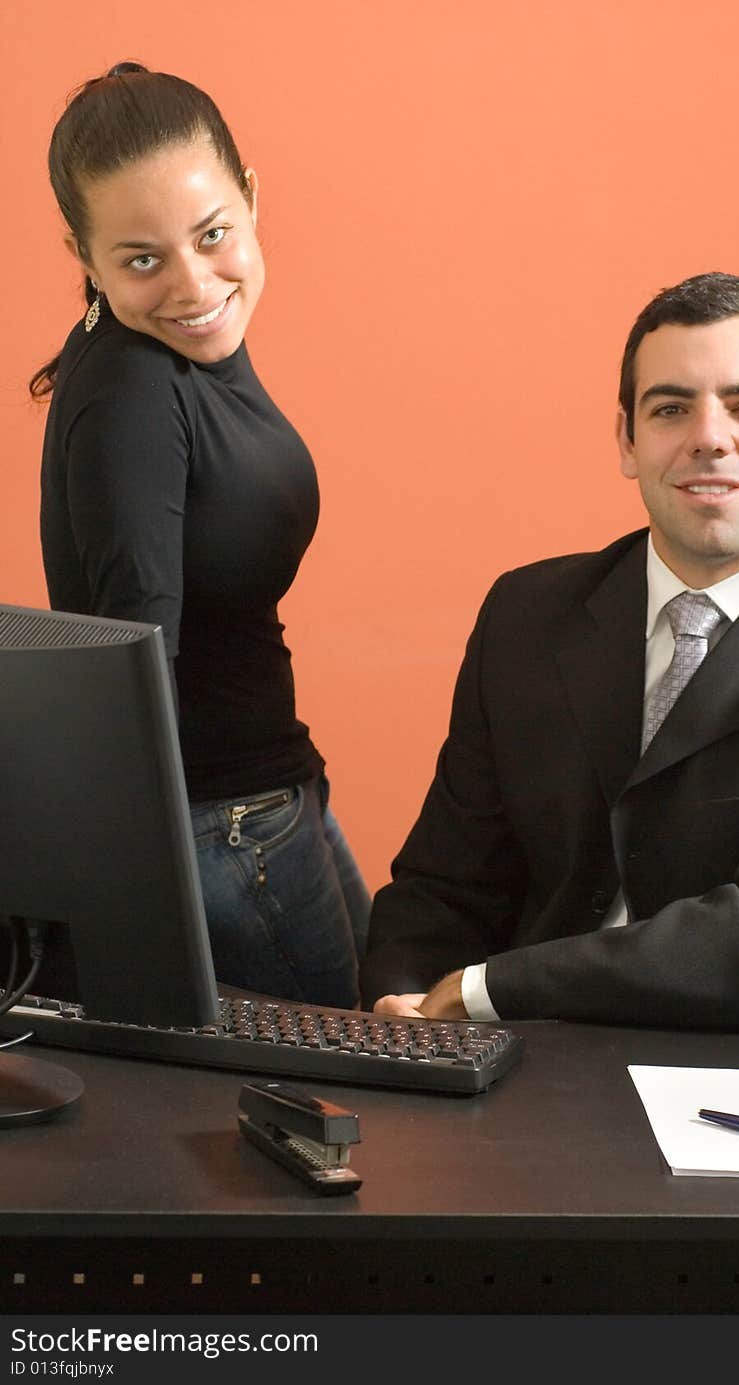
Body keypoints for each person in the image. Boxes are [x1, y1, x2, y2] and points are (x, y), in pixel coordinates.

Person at [360, 270, 739, 1027]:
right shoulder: (526, 614)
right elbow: (444, 885)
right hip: (533, 1066)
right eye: (670, 408)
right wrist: (396, 997)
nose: (708, 436)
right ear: (628, 441)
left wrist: (485, 991)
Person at [33, 62, 370, 1007]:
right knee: (349, 1101)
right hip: (223, 825)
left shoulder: (175, 348)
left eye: (213, 235)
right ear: (85, 254)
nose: (193, 286)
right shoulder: (137, 389)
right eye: (141, 259)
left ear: (251, 197)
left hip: (265, 794)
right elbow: (133, 659)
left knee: (382, 1047)